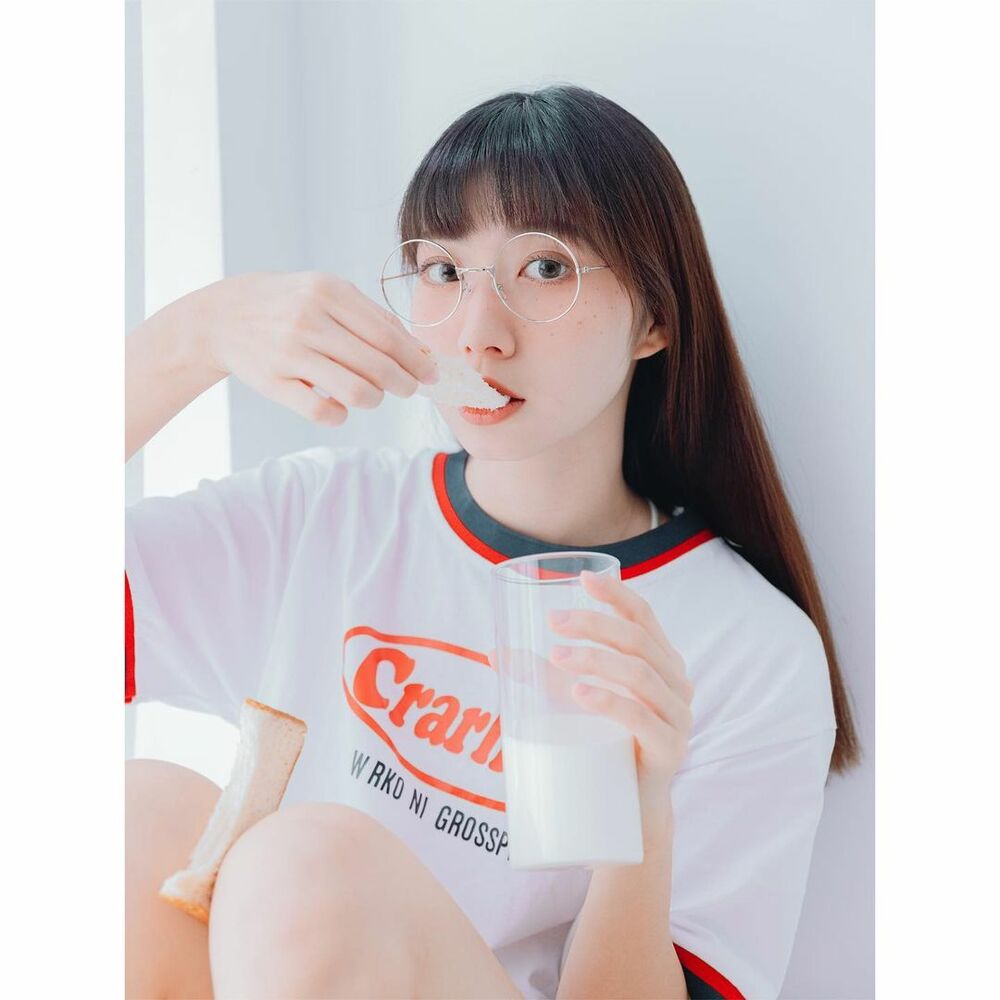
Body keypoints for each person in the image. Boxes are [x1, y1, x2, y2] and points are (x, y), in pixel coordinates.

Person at [124, 83, 861, 1000]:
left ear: (656, 318)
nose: (478, 334)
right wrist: (188, 339)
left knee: (307, 865)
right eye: (442, 271)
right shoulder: (325, 517)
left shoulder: (744, 648)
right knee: (141, 815)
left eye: (545, 268)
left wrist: (639, 820)